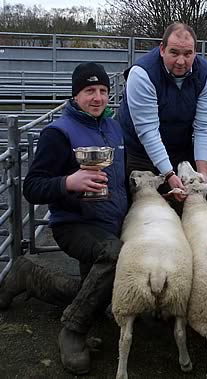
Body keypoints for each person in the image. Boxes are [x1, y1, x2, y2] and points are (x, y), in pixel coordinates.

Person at [0, 62, 129, 375]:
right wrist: (68, 182)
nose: (97, 97)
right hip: (75, 224)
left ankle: (27, 275)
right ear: (75, 95)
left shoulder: (113, 127)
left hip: (110, 222)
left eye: (102, 91)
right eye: (89, 91)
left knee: (95, 294)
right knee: (116, 256)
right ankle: (72, 330)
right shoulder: (58, 133)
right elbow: (32, 187)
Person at [118, 22, 207, 200]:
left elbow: (204, 126)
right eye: (174, 52)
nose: (181, 61)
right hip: (140, 151)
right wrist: (169, 175)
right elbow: (148, 131)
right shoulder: (142, 74)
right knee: (143, 206)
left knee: (183, 204)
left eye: (188, 54)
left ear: (195, 52)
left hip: (179, 147)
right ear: (162, 49)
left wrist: (203, 174)